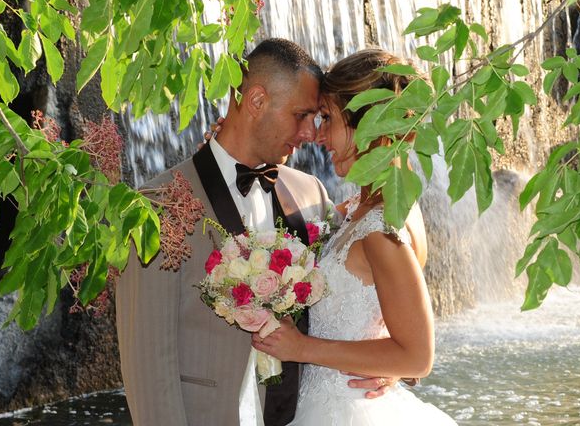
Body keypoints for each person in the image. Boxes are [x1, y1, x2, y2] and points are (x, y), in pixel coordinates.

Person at [115, 39, 392, 426]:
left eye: (316, 118)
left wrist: (390, 361)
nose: (310, 134)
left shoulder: (310, 194)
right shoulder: (157, 208)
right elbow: (148, 366)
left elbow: (368, 272)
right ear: (257, 100)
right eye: (301, 115)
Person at [251, 49, 457, 425]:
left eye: (328, 118)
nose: (318, 135)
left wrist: (301, 347)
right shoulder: (362, 208)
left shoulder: (382, 229)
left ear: (370, 125)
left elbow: (417, 357)